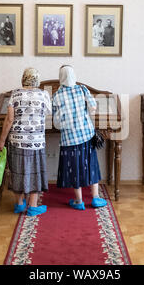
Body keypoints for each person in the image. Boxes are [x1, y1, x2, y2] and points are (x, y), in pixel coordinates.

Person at [52, 65, 107, 210]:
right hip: (87, 134)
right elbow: (93, 108)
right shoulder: (82, 89)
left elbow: (56, 122)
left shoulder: (57, 95)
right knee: (91, 164)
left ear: (61, 77)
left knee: (74, 167)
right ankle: (95, 198)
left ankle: (79, 201)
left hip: (69, 139)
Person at [0, 68, 51, 217]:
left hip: (16, 140)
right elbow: (47, 112)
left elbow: (9, 120)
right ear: (37, 80)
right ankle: (33, 206)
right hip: (36, 142)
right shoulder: (43, 94)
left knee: (17, 171)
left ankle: (19, 204)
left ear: (23, 79)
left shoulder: (15, 94)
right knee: (35, 172)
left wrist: (1, 141)